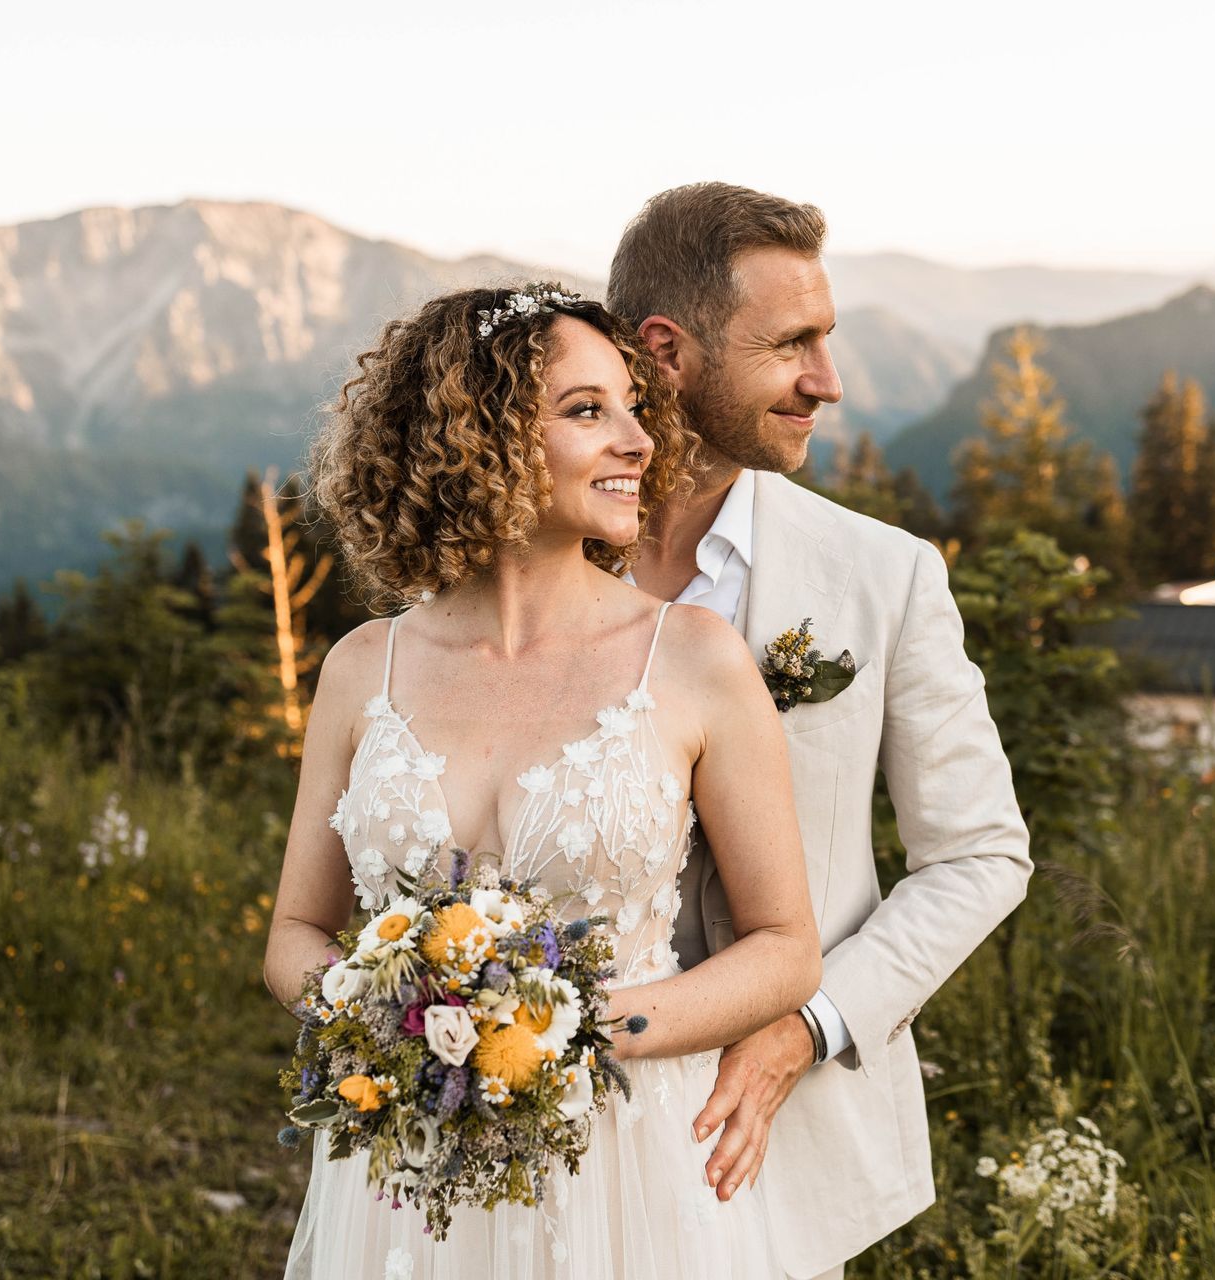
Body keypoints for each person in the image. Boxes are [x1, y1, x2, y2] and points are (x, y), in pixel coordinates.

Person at [265, 285, 821, 1278]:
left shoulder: (693, 658)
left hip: (626, 1159)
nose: (639, 442)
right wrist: (395, 1027)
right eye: (586, 409)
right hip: (411, 1165)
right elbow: (295, 934)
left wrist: (581, 1030)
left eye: (633, 408)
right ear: (476, 435)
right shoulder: (361, 667)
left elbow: (786, 949)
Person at [609, 182, 1033, 1280]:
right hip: (569, 1119)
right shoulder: (529, 570)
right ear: (666, 352)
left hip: (774, 1145)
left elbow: (981, 855)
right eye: (791, 344)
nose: (827, 381)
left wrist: (806, 1027)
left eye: (826, 339)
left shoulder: (886, 576)